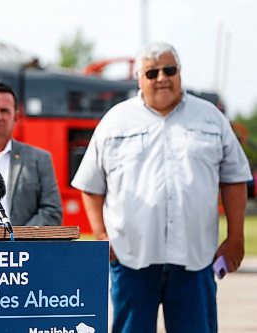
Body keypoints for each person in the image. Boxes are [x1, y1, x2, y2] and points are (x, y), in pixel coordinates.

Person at [71, 42, 252, 333]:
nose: (161, 78)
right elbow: (91, 185)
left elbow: (234, 178)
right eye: (152, 72)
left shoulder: (211, 118)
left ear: (180, 72)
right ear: (139, 78)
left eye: (169, 70)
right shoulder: (115, 121)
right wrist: (102, 236)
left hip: (195, 259)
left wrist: (236, 237)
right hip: (131, 259)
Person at [0, 82, 62, 226]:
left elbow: (52, 211)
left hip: (25, 247)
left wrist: (19, 242)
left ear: (16, 116)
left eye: (4, 111)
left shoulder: (40, 159)